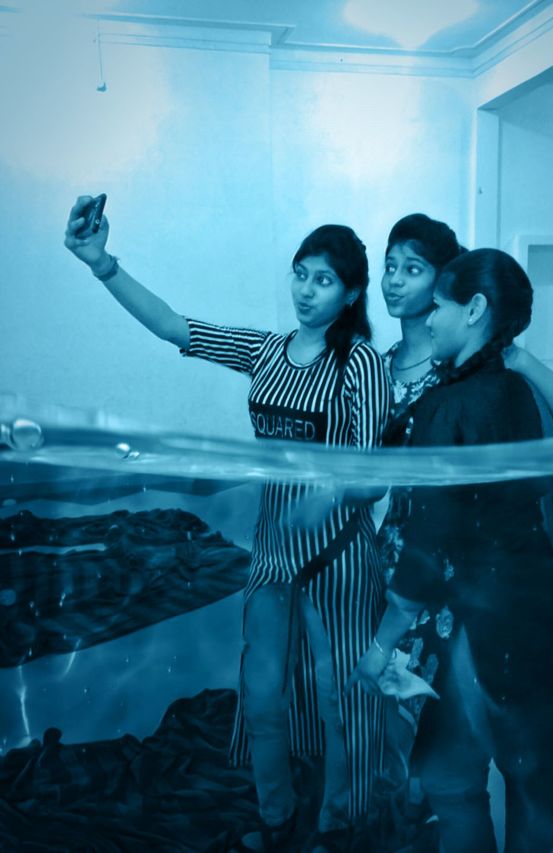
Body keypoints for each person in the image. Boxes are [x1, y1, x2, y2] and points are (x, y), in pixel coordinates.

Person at [64, 198, 390, 852]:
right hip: (272, 552)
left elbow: (374, 471)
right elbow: (176, 327)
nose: (306, 290)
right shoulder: (266, 350)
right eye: (301, 273)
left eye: (324, 280)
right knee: (262, 693)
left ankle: (339, 825)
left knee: (341, 699)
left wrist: (328, 495)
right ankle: (277, 817)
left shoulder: (360, 363)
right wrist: (102, 264)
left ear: (352, 293)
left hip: (339, 557)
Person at [350, 248, 553, 852]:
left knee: (451, 780)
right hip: (544, 609)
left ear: (475, 309)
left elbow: (428, 547)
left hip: (484, 622)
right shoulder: (525, 392)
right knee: (532, 781)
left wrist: (377, 649)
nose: (429, 320)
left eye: (439, 306)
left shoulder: (447, 405)